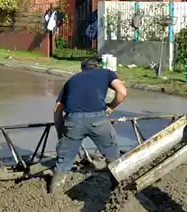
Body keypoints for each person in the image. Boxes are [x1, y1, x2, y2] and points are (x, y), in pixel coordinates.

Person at [49, 57, 128, 193]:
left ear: (82, 69)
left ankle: (54, 194)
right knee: (112, 155)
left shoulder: (72, 80)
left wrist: (61, 133)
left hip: (73, 121)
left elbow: (57, 110)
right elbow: (122, 92)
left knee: (63, 162)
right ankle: (119, 189)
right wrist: (111, 107)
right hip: (98, 120)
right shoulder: (106, 73)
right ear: (97, 66)